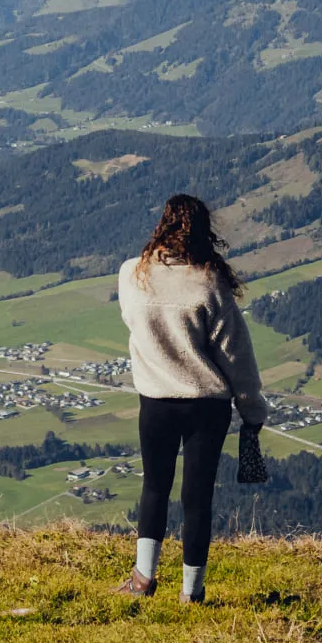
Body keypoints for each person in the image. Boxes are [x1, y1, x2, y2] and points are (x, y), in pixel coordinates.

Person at [114, 193, 271, 603]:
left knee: (154, 488)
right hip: (207, 406)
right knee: (197, 499)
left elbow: (133, 321)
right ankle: (192, 592)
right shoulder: (210, 283)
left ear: (162, 225)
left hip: (156, 402)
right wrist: (252, 411)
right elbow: (237, 356)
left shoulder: (132, 274)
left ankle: (143, 580)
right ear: (204, 232)